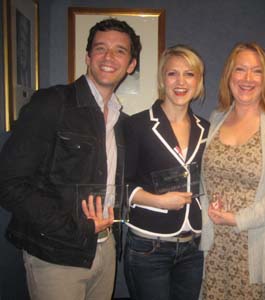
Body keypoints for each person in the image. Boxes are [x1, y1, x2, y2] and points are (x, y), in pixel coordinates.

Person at [0, 18, 141, 300]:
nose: (109, 57)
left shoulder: (122, 122)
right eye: (101, 48)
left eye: (120, 51)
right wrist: (74, 228)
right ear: (87, 57)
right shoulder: (52, 103)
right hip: (56, 254)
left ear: (131, 65)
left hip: (106, 249)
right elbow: (8, 184)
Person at [200, 42, 265, 300]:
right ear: (228, 76)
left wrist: (237, 219)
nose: (247, 78)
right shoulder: (216, 118)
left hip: (258, 244)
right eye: (240, 69)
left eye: (256, 71)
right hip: (216, 247)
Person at [123, 45, 209, 300]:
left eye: (189, 74)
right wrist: (159, 201)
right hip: (150, 246)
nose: (181, 82)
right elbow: (120, 186)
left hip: (193, 247)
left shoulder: (207, 129)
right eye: (173, 74)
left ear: (199, 81)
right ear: (162, 79)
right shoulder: (136, 125)